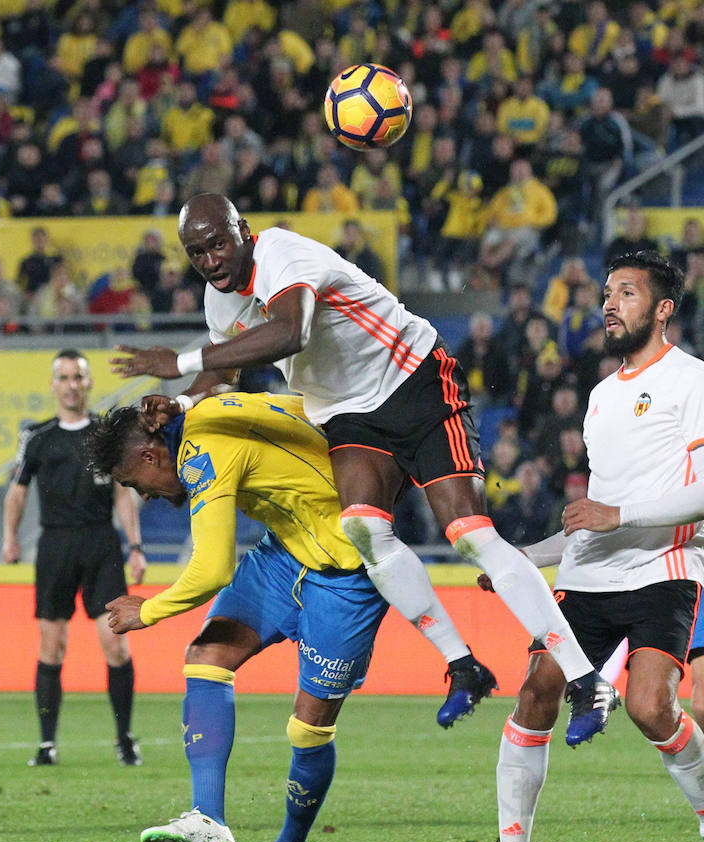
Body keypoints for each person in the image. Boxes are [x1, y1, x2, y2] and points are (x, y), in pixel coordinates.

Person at [110, 192, 618, 743]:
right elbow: (227, 371)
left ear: (244, 230)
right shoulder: (221, 300)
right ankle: (464, 665)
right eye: (197, 253)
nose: (211, 260)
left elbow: (290, 332)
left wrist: (180, 361)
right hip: (349, 415)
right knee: (365, 532)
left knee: (469, 534)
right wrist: (183, 401)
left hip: (414, 377)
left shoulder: (282, 253)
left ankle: (586, 678)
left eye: (218, 243)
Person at [88, 393, 391, 842]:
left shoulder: (200, 453)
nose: (143, 495)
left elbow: (212, 569)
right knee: (207, 654)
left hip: (348, 571)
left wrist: (148, 611)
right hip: (286, 550)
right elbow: (298, 404)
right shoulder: (209, 412)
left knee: (309, 726)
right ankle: (208, 817)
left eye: (132, 483)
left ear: (149, 456)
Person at [477, 250, 704, 842]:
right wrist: (527, 559)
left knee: (651, 706)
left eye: (626, 293)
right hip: (588, 580)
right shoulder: (602, 397)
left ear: (662, 308)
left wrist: (619, 514)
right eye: (608, 292)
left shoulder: (692, 382)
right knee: (534, 693)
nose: (610, 303)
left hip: (663, 567)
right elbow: (588, 521)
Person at [1, 349, 146, 767]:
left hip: (101, 544)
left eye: (78, 377)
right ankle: (47, 745)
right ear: (53, 385)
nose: (71, 384)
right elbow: (17, 490)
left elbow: (123, 493)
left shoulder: (105, 433)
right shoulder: (38, 436)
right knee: (53, 646)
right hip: (56, 545)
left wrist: (135, 546)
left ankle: (124, 738)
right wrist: (10, 537)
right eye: (63, 377)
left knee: (115, 645)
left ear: (88, 382)